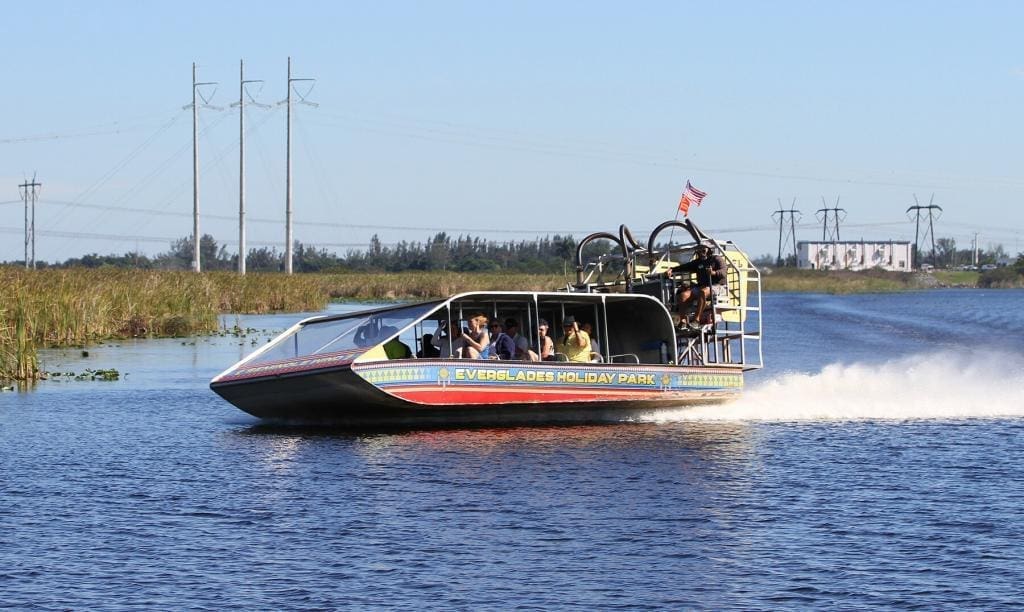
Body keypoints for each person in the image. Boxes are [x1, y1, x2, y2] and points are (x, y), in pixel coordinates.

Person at [674, 243, 727, 330]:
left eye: (703, 249)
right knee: (684, 295)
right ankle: (683, 321)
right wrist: (672, 269)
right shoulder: (698, 262)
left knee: (703, 291)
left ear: (708, 250)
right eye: (699, 250)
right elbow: (685, 266)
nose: (701, 252)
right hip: (701, 286)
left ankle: (696, 320)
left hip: (717, 286)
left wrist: (713, 273)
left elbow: (724, 272)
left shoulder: (717, 259)